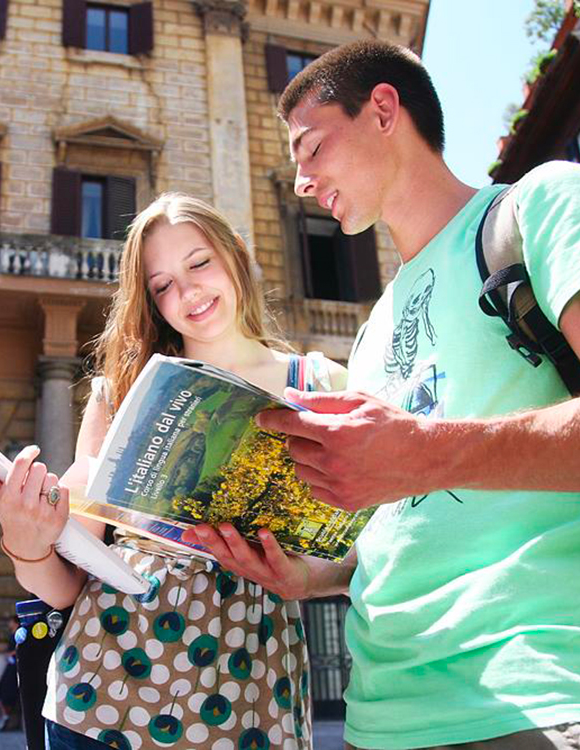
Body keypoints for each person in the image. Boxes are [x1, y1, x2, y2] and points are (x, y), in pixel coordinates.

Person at [182, 40, 580, 750]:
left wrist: (424, 453)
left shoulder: (541, 206)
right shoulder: (368, 337)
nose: (300, 181)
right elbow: (399, 532)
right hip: (378, 721)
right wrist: (306, 577)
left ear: (384, 110)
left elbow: (422, 465)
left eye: (311, 147)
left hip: (533, 697)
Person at [0, 192, 347, 750]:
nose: (187, 292)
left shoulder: (323, 384)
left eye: (199, 263)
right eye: (162, 284)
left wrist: (306, 575)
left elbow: (367, 551)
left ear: (236, 254)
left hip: (250, 692)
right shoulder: (118, 393)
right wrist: (28, 545)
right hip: (99, 692)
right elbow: (65, 586)